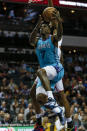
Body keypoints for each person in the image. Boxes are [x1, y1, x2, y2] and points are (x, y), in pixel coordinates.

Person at [29, 15, 65, 130]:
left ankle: (51, 97)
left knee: (41, 71)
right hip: (44, 72)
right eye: (42, 26)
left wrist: (59, 22)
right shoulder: (38, 41)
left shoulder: (53, 38)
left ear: (49, 30)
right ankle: (57, 110)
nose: (43, 27)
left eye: (45, 26)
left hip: (56, 68)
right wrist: (38, 24)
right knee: (35, 96)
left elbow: (59, 34)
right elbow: (30, 40)